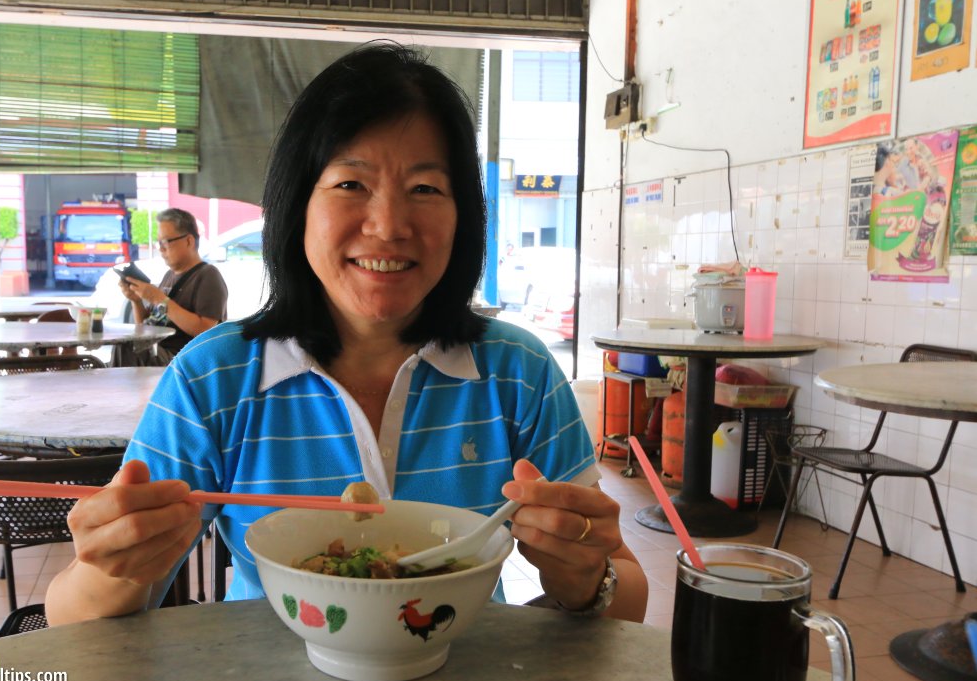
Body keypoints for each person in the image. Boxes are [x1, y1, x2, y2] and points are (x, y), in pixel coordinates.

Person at [46, 43, 648, 626]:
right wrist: (113, 568)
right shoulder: (214, 377)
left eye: (425, 189)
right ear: (297, 205)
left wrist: (586, 575)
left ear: (464, 216)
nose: (388, 226)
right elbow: (71, 617)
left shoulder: (519, 371)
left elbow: (626, 594)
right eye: (350, 185)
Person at [112, 207, 229, 366]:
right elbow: (146, 328)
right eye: (158, 243)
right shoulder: (169, 276)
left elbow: (206, 330)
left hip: (185, 360)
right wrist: (136, 300)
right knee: (128, 341)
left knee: (128, 347)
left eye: (166, 241)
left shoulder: (208, 276)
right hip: (158, 351)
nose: (161, 249)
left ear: (189, 241)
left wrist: (162, 301)